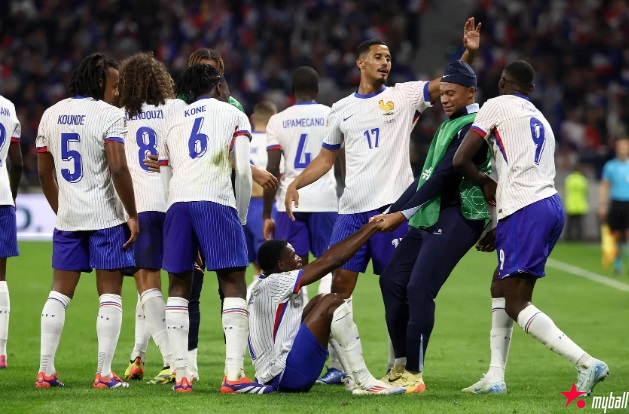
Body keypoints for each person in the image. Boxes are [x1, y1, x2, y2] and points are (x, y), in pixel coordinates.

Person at [285, 17, 481, 372]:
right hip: (351, 212)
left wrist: (467, 53)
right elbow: (326, 158)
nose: (385, 62)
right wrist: (297, 183)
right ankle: (340, 368)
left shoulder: (402, 96)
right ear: (360, 62)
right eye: (378, 57)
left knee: (398, 288)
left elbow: (450, 84)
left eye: (388, 58)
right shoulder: (340, 109)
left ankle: (398, 364)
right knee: (339, 290)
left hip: (392, 210)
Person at [453, 60, 609, 395]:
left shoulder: (496, 105)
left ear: (502, 83)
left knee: (516, 302)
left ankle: (586, 363)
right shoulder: (540, 118)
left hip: (525, 209)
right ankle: (495, 377)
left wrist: (484, 181)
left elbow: (460, 160)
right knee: (500, 284)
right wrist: (503, 226)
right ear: (531, 90)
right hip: (548, 206)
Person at [370, 61, 491, 393]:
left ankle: (414, 373)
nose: (445, 99)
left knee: (419, 287)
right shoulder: (449, 125)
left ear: (470, 92)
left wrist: (401, 215)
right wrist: (391, 211)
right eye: (443, 93)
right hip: (432, 214)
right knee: (391, 281)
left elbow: (442, 177)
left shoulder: (474, 126)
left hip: (459, 214)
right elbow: (425, 177)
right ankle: (398, 366)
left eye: (452, 93)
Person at [158, 63, 272, 394]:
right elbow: (243, 172)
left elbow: (166, 173)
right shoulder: (232, 114)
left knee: (178, 286)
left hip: (177, 203)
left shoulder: (172, 120)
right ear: (219, 87)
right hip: (215, 200)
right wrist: (240, 216)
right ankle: (233, 375)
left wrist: (173, 210)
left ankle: (181, 376)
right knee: (233, 281)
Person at [35, 53, 139, 389]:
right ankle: (104, 374)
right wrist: (132, 214)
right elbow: (118, 168)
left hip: (69, 219)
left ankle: (45, 371)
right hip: (106, 217)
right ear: (99, 82)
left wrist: (62, 208)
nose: (118, 93)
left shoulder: (50, 114)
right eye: (115, 85)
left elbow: (44, 172)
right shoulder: (110, 116)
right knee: (110, 294)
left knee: (59, 292)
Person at [249, 221, 404, 395]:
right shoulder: (276, 283)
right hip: (286, 376)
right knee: (332, 301)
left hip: (275, 375)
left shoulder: (264, 285)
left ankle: (353, 378)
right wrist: (370, 228)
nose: (299, 258)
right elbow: (332, 260)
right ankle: (364, 380)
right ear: (281, 265)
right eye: (293, 256)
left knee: (321, 300)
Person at [263, 66, 341, 384]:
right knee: (330, 271)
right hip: (326, 200)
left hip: (290, 202)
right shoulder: (331, 113)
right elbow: (339, 160)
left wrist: (267, 214)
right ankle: (335, 362)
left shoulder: (278, 120)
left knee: (293, 277)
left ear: (292, 91)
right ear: (317, 89)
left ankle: (293, 348)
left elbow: (272, 169)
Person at [116, 52, 184, 385]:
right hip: (175, 201)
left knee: (146, 283)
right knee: (167, 285)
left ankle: (173, 361)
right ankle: (137, 355)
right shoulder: (176, 108)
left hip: (140, 205)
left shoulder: (120, 116)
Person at [0, 94, 23, 369]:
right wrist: (13, 196)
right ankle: (1, 351)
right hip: (3, 197)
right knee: (1, 278)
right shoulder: (8, 107)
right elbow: (16, 163)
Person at [246, 100, 278, 281]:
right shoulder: (273, 142)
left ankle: (255, 285)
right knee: (268, 254)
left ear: (252, 118)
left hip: (242, 203)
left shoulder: (243, 140)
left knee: (253, 259)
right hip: (266, 203)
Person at [599, 138, 629, 274]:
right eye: (620, 146)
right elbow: (605, 185)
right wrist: (602, 204)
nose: (622, 148)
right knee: (615, 235)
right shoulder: (610, 166)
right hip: (616, 203)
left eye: (625, 146)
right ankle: (618, 265)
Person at [564, 165, 589, 242]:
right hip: (580, 204)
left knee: (570, 223)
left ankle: (568, 237)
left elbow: (567, 190)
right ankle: (579, 237)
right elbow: (585, 191)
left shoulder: (568, 179)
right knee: (579, 223)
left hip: (571, 203)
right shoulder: (583, 179)